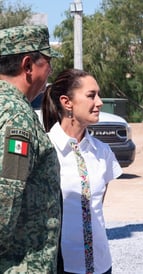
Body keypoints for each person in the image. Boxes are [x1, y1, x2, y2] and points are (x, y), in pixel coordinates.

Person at [42, 68, 122, 274]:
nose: (100, 102)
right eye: (91, 95)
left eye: (98, 94)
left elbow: (97, 207)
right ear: (66, 102)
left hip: (100, 265)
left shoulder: (102, 151)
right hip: (59, 266)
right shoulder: (44, 149)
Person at [0, 25, 62, 272]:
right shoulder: (17, 117)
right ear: (28, 65)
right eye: (47, 63)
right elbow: (6, 197)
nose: (50, 72)